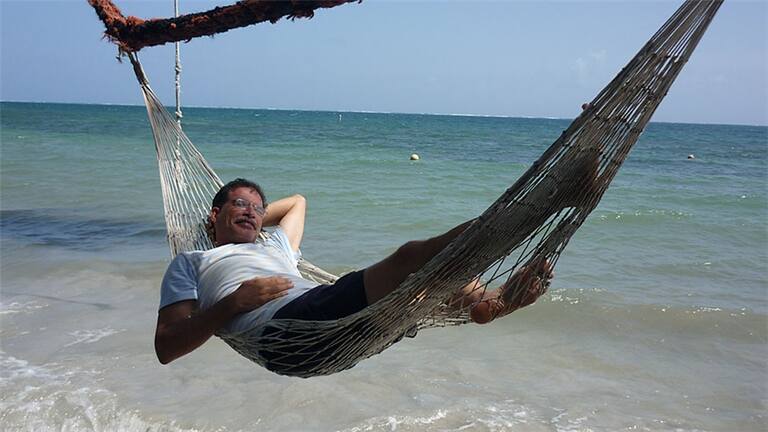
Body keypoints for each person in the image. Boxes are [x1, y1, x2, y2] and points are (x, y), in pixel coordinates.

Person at [154, 179, 552, 365]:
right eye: (240, 204)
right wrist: (233, 303)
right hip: (285, 332)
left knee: (426, 282)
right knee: (410, 258)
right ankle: (544, 201)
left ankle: (490, 304)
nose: (252, 212)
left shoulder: (275, 246)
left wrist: (250, 218)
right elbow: (166, 347)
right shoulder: (191, 261)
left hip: (331, 328)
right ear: (215, 214)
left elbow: (297, 202)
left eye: (258, 208)